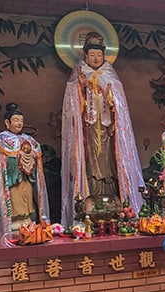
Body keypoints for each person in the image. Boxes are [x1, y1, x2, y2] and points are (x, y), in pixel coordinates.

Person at [61, 31, 144, 227]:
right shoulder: (78, 75)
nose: (96, 58)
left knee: (107, 162)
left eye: (99, 54)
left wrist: (111, 98)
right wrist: (80, 88)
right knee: (91, 161)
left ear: (104, 55)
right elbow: (71, 105)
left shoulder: (110, 75)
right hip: (88, 128)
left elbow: (119, 104)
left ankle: (113, 197)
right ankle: (91, 199)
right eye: (92, 55)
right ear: (85, 56)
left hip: (107, 129)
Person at [0, 102, 50, 245]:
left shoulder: (28, 140)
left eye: (21, 120)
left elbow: (36, 152)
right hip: (13, 178)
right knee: (15, 202)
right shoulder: (2, 139)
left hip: (26, 178)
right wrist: (16, 160)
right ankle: (14, 225)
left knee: (27, 202)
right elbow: (2, 160)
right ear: (7, 122)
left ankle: (28, 223)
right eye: (16, 120)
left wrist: (28, 160)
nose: (19, 124)